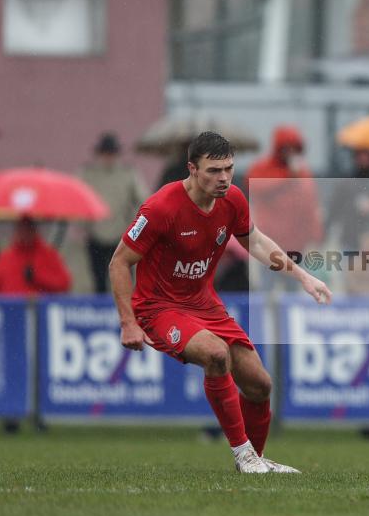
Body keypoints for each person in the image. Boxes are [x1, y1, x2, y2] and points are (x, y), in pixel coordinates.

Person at [110, 132, 332, 473]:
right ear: (192, 169)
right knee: (216, 355)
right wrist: (129, 322)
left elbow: (255, 242)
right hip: (159, 308)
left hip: (204, 304)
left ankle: (252, 465)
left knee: (260, 385)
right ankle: (245, 457)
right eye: (214, 170)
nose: (224, 177)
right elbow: (120, 262)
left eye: (228, 168)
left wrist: (303, 276)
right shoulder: (160, 207)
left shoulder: (233, 200)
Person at [246, 126, 324, 291]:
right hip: (269, 246)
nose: (290, 153)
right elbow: (255, 187)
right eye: (286, 148)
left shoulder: (302, 173)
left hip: (295, 246)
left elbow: (310, 205)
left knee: (292, 293)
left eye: (294, 149)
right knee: (266, 291)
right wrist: (288, 177)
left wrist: (316, 235)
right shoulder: (264, 168)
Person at [81, 133, 147, 293]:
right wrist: (85, 225)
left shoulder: (128, 174)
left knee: (125, 279)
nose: (108, 157)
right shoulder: (88, 174)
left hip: (121, 236)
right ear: (100, 154)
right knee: (99, 281)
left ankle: (129, 312)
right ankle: (101, 314)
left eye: (111, 153)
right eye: (105, 153)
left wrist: (135, 227)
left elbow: (144, 201)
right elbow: (78, 198)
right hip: (95, 236)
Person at [0, 216, 71, 294]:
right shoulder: (5, 259)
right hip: (10, 308)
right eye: (21, 229)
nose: (24, 234)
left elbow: (64, 284)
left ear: (34, 231)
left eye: (28, 229)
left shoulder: (49, 256)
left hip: (41, 308)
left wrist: (37, 277)